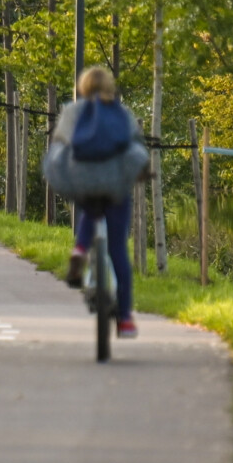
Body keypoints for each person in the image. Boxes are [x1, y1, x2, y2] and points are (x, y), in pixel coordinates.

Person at [56, 65, 144, 339]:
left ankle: (80, 248)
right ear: (109, 86)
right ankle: (125, 319)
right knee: (118, 251)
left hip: (85, 179)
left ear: (83, 87)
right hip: (116, 184)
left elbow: (60, 146)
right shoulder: (122, 113)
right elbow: (135, 148)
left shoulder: (73, 112)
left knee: (90, 209)